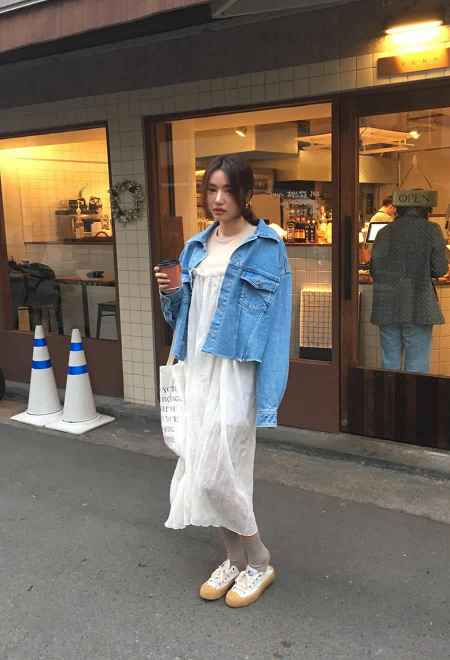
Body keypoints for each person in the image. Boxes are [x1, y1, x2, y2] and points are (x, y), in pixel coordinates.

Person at [154, 155, 291, 608]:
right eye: (211, 189)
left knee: (220, 472)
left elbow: (277, 326)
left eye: (227, 190)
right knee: (201, 466)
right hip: (197, 367)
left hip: (236, 371)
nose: (217, 199)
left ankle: (259, 559)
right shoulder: (195, 247)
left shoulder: (267, 246)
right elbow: (181, 318)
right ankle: (234, 558)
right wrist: (171, 292)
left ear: (245, 193)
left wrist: (268, 393)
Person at [370, 190, 448, 373]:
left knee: (389, 364)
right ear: (426, 210)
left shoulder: (384, 232)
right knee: (417, 366)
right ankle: (413, 394)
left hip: (387, 304)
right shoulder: (431, 230)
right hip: (418, 304)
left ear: (398, 209)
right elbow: (440, 269)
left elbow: (374, 269)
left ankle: (389, 393)